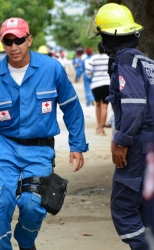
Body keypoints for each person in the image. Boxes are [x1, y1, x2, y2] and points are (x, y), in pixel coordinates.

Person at [0, 17, 88, 250]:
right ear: (2, 43)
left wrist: (77, 144)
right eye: (8, 41)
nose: (14, 46)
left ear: (29, 39)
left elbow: (71, 107)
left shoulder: (51, 69)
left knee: (33, 204)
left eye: (19, 40)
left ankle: (26, 242)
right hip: (3, 147)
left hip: (39, 149)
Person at [87, 3, 154, 249]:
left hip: (139, 142)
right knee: (145, 205)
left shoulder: (125, 60)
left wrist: (122, 141)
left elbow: (135, 106)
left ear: (109, 37)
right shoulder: (144, 59)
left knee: (123, 208)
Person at [85, 41, 110, 135]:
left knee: (98, 105)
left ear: (98, 49)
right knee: (105, 107)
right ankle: (102, 130)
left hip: (95, 85)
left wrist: (93, 76)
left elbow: (88, 72)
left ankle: (98, 127)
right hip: (107, 84)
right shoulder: (109, 58)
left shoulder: (93, 58)